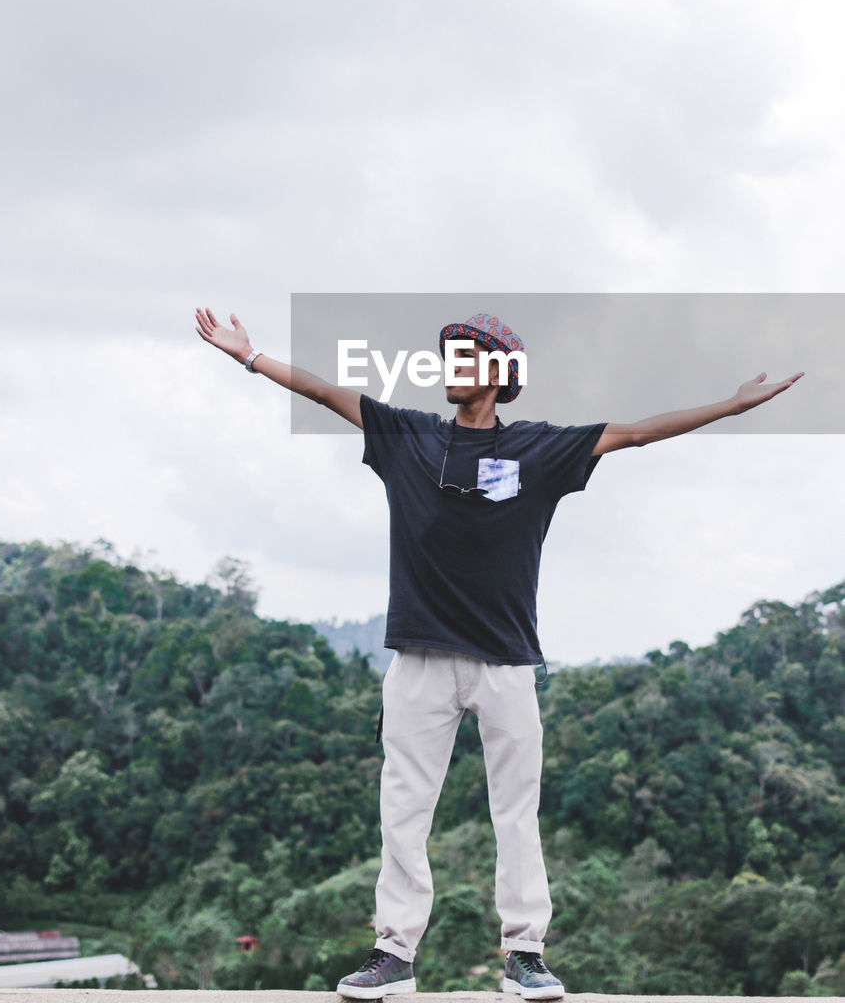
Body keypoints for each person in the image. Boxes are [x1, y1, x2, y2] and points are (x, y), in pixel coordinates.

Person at [194, 306, 803, 1000]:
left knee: (515, 811)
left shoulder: (538, 451)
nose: (451, 366)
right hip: (419, 659)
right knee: (403, 810)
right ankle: (393, 956)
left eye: (467, 356)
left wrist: (728, 407)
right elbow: (327, 394)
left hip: (505, 662)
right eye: (448, 355)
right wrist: (250, 357)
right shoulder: (408, 436)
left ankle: (525, 954)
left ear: (501, 373)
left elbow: (634, 433)